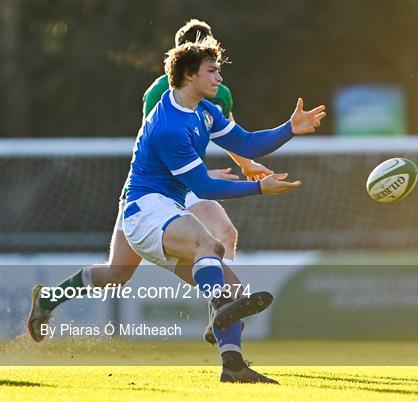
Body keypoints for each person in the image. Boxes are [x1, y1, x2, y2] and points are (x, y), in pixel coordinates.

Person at [27, 19, 272, 346]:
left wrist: (248, 164)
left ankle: (221, 312)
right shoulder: (160, 92)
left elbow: (230, 135)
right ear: (186, 63)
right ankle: (48, 300)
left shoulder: (219, 93)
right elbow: (155, 147)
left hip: (187, 185)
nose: (213, 68)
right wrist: (205, 176)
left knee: (223, 234)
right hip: (155, 189)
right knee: (117, 275)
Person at [121, 37, 325, 382]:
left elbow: (245, 143)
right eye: (212, 71)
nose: (219, 78)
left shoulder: (205, 110)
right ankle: (220, 309)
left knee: (236, 294)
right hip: (143, 211)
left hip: (165, 209)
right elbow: (205, 187)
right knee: (211, 246)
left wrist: (290, 128)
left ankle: (234, 366)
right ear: (188, 75)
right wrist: (260, 187)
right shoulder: (170, 126)